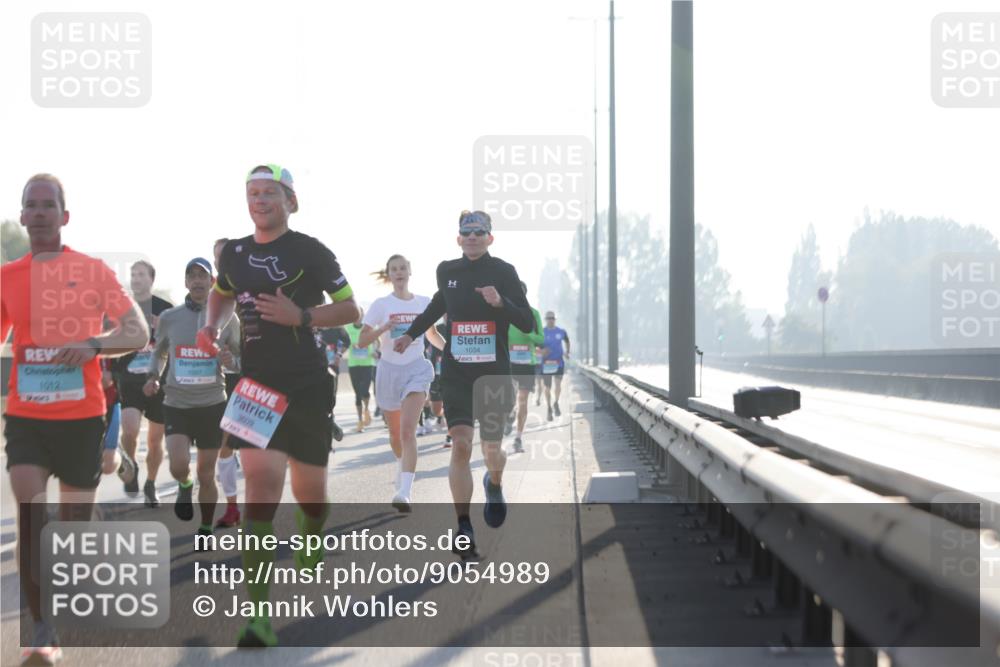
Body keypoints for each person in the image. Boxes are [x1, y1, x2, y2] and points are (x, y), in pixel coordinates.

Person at [199, 164, 359, 647]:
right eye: (252, 192)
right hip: (255, 385)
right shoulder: (235, 253)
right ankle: (259, 616)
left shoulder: (309, 250)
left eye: (270, 192)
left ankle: (313, 529)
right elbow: (222, 292)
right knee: (261, 488)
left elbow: (351, 309)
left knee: (310, 493)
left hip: (308, 384)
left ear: (290, 200)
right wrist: (210, 325)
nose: (260, 199)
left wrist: (303, 315)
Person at [2, 174, 149, 665]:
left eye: (48, 205)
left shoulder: (92, 271)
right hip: (26, 415)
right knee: (29, 512)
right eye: (31, 205)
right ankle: (40, 630)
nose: (39, 213)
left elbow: (137, 331)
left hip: (82, 417)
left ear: (64, 216)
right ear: (22, 216)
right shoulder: (7, 277)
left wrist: (91, 344)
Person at [395, 210, 534, 559]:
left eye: (479, 232)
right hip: (456, 370)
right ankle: (464, 527)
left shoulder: (503, 272)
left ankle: (495, 483)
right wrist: (410, 335)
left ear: (490, 237)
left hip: (493, 373)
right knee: (460, 444)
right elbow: (436, 307)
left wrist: (501, 302)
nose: (472, 237)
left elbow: (528, 321)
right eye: (466, 232)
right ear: (458, 238)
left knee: (491, 449)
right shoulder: (448, 271)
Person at [144, 258, 241, 546]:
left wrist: (230, 360)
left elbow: (239, 358)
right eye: (192, 276)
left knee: (206, 473)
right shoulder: (171, 317)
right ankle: (184, 485)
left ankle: (206, 527)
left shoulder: (228, 317)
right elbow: (159, 352)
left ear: (212, 282)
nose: (197, 281)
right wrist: (153, 376)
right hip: (177, 402)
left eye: (203, 275)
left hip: (212, 403)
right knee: (179, 464)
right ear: (186, 282)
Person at [357, 255, 445, 512]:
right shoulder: (381, 304)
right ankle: (401, 464)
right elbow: (362, 341)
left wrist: (452, 353)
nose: (399, 272)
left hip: (417, 368)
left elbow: (432, 334)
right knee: (395, 435)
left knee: (408, 431)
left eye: (403, 268)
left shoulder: (424, 303)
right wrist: (384, 327)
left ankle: (405, 491)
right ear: (389, 274)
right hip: (388, 371)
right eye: (394, 269)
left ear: (410, 271)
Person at [114, 259, 173, 506]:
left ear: (151, 279)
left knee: (155, 440)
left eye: (141, 274)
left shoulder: (166, 309)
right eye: (133, 274)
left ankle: (150, 484)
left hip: (158, 378)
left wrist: (162, 331)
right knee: (129, 428)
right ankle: (131, 464)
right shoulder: (122, 308)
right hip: (129, 378)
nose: (136, 279)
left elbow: (177, 342)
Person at [212, 238, 242, 529]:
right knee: (225, 446)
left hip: (254, 382)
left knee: (259, 453)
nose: (222, 262)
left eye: (226, 256)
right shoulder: (213, 300)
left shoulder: (253, 290)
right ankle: (232, 507)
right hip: (221, 385)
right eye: (218, 258)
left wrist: (236, 360)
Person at [507, 282, 545, 452]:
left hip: (527, 364)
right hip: (508, 363)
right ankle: (509, 415)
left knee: (522, 400)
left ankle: (518, 438)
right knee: (508, 401)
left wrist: (527, 334)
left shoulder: (533, 314)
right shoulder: (504, 313)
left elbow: (540, 339)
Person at [345, 309, 376, 432]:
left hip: (367, 363)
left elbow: (377, 341)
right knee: (357, 394)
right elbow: (343, 341)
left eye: (359, 315)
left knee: (365, 391)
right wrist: (349, 346)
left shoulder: (368, 328)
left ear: (362, 315)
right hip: (353, 364)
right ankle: (359, 421)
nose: (358, 317)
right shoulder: (348, 328)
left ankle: (366, 409)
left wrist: (375, 351)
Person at [319, 325, 350, 443]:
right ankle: (330, 426)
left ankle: (330, 424)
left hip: (331, 370)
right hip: (314, 369)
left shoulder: (337, 328)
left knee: (329, 401)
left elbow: (345, 341)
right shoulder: (311, 327)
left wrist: (339, 354)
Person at [541, 311, 571, 421]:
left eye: (552, 318)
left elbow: (567, 341)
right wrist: (541, 351)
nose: (551, 320)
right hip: (546, 363)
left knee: (558, 385)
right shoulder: (542, 332)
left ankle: (556, 403)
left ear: (555, 319)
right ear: (545, 319)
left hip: (559, 362)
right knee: (547, 388)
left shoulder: (561, 331)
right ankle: (549, 407)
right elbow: (536, 346)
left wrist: (567, 352)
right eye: (548, 318)